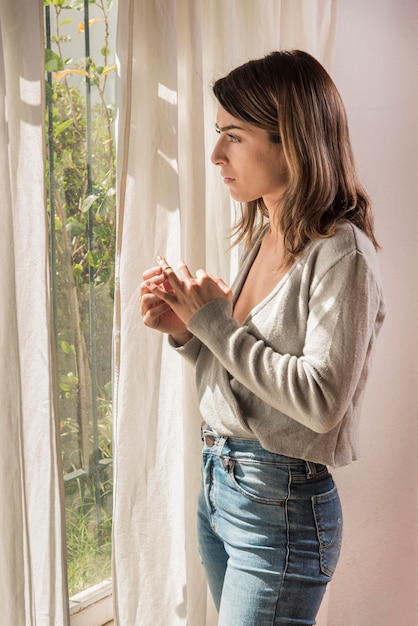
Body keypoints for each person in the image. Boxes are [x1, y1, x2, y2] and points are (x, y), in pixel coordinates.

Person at [140, 50, 385, 626]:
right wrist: (189, 333)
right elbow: (252, 388)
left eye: (234, 135)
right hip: (221, 487)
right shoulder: (267, 234)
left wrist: (215, 323)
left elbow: (321, 402)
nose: (216, 153)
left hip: (281, 506)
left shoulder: (340, 253)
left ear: (290, 141)